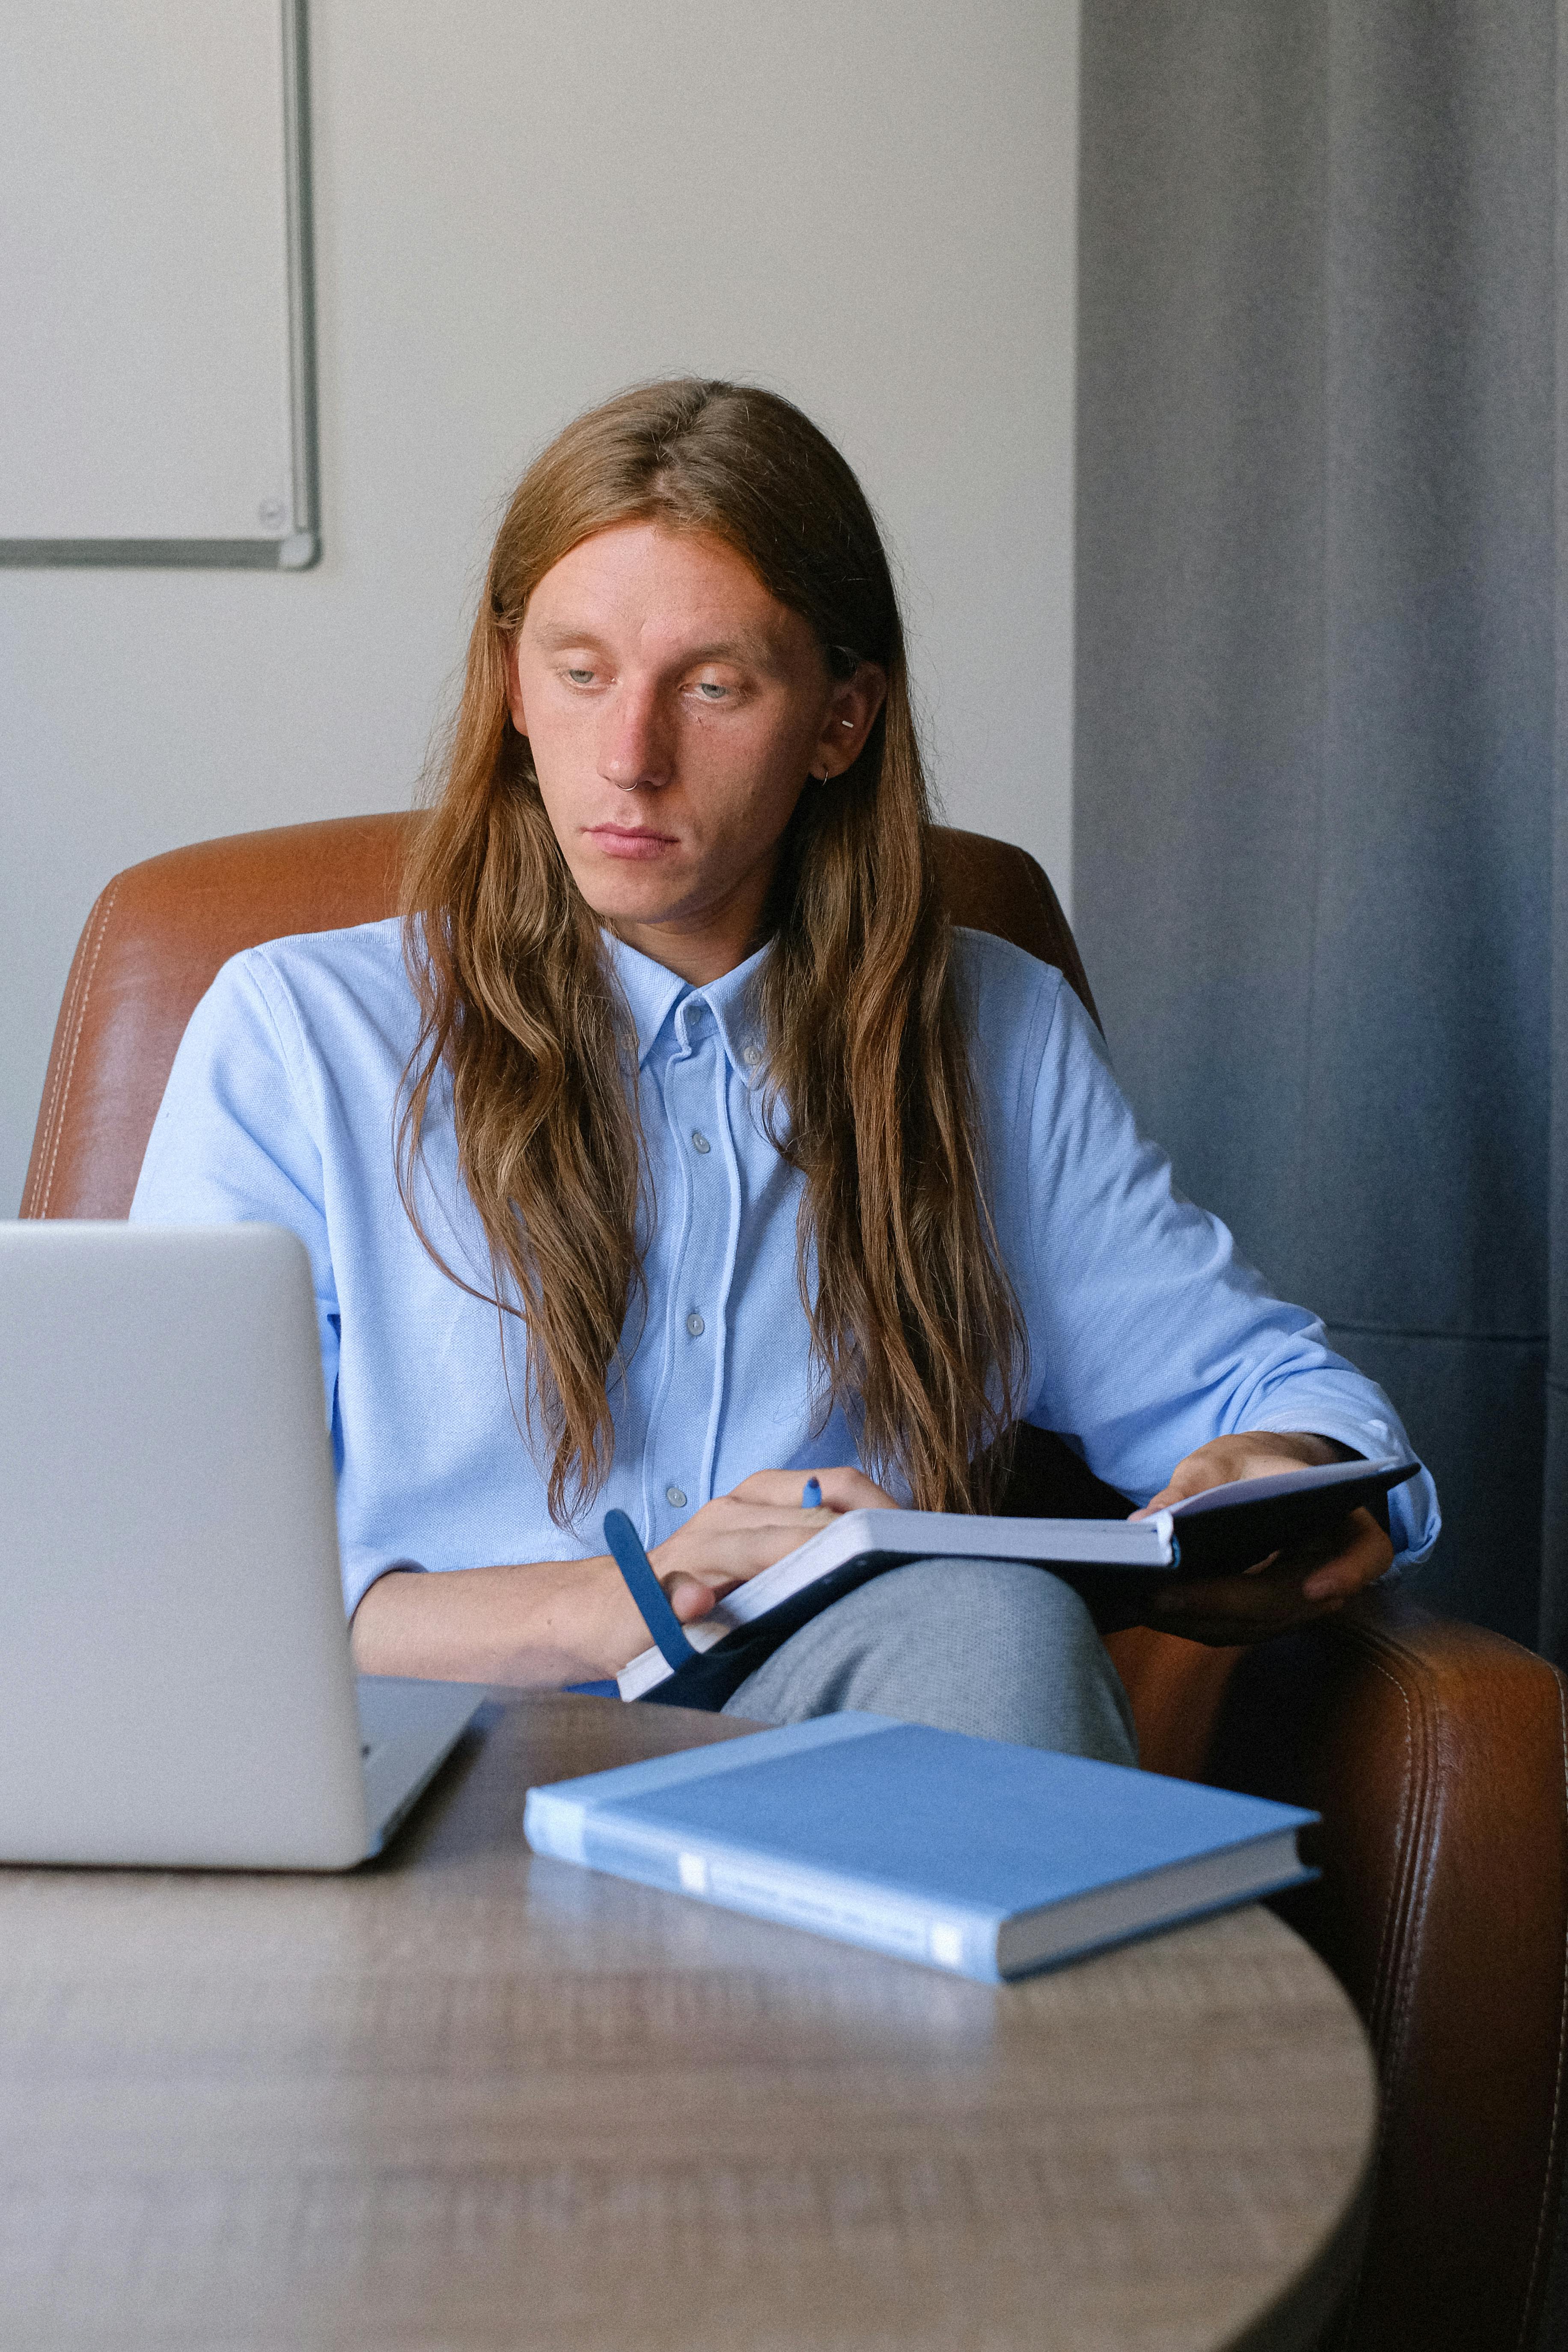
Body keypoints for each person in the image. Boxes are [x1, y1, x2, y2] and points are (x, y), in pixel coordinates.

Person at [131, 379, 1438, 1765]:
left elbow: (1290, 1401)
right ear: (513, 684)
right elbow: (169, 1579)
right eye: (581, 673)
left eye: (713, 686)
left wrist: (1273, 1470)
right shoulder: (297, 1034)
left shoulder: (996, 1031)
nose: (629, 758)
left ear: (840, 718)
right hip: (423, 1760)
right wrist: (616, 1606)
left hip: (832, 1752)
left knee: (989, 1623)